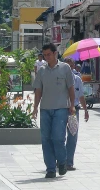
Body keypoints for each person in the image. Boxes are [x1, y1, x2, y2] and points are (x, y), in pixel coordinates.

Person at [31, 43, 76, 179]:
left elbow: (71, 88)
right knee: (46, 139)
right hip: (45, 109)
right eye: (44, 55)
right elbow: (38, 90)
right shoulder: (42, 71)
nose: (46, 57)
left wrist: (72, 105)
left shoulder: (65, 68)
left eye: (48, 55)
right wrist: (35, 108)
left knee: (58, 138)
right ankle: (50, 168)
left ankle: (62, 162)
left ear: (55, 53)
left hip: (61, 108)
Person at [65, 59, 89, 170]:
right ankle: (60, 159)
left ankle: (69, 162)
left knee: (72, 136)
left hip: (74, 111)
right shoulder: (60, 79)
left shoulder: (77, 79)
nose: (69, 68)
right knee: (59, 136)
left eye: (71, 66)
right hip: (61, 110)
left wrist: (86, 110)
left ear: (74, 66)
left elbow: (81, 96)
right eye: (67, 66)